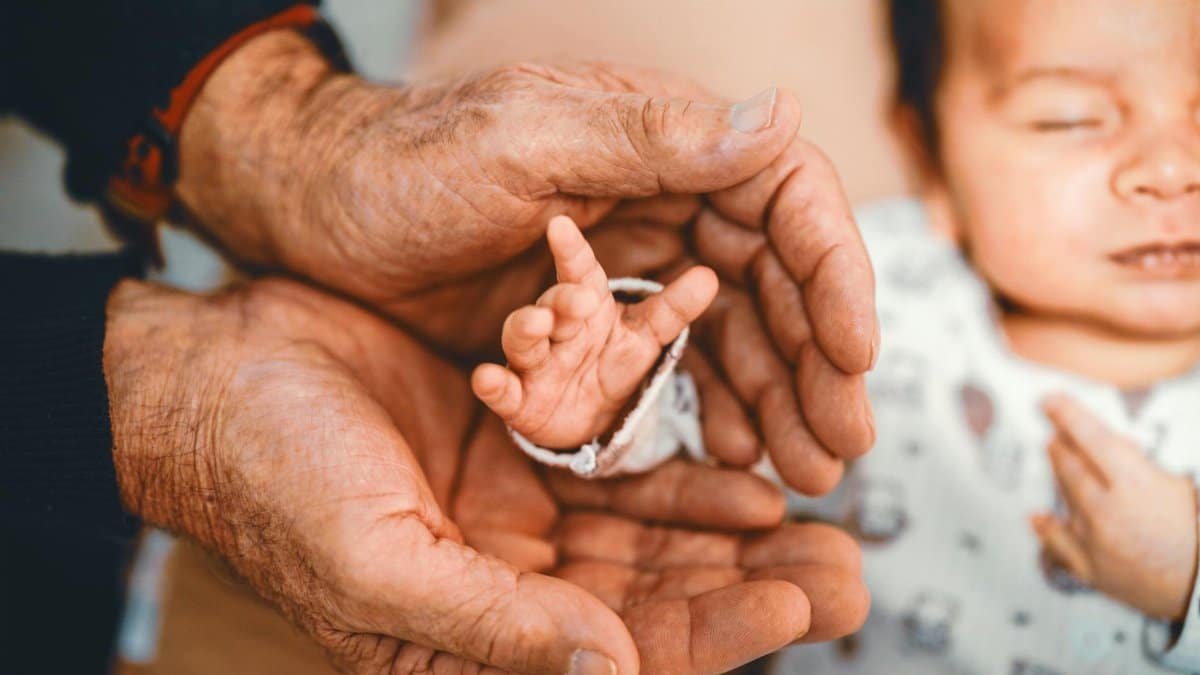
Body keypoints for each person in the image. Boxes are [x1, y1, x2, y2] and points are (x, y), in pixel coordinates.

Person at [2, 2, 876, 673]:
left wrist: (283, 125)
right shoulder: (897, 249)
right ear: (925, 130)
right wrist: (608, 404)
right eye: (1019, 124)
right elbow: (680, 417)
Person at [758, 0, 1200, 672]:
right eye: (1070, 118)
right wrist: (625, 386)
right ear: (929, 160)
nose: (1171, 172)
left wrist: (1188, 576)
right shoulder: (868, 291)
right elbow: (693, 446)